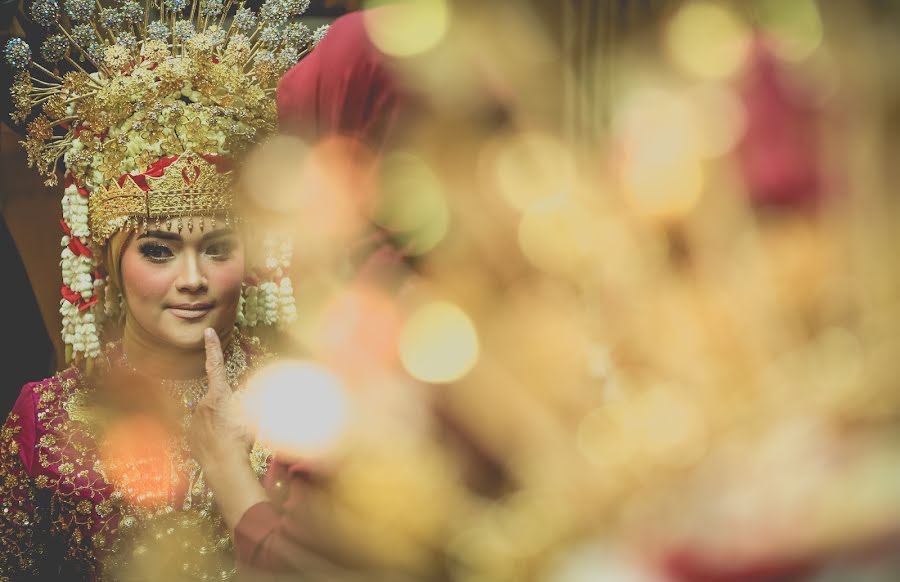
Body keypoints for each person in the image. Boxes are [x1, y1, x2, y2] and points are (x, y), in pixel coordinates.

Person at [0, 0, 321, 577]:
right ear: (106, 258)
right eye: (158, 250)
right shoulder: (46, 418)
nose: (193, 279)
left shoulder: (303, 407)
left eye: (217, 248)